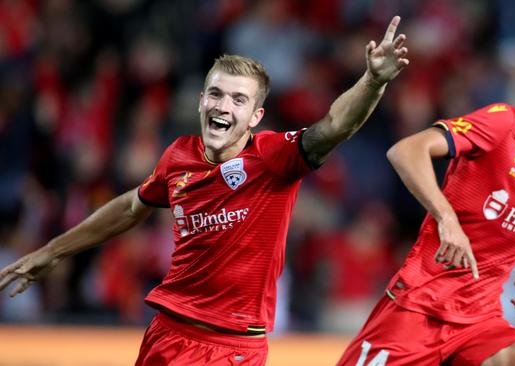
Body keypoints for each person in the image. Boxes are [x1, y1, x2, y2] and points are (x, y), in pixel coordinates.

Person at [0, 16, 409, 365]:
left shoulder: (272, 157)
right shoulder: (178, 156)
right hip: (164, 334)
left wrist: (372, 81)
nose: (223, 106)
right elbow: (129, 208)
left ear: (254, 116)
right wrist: (52, 251)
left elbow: (335, 126)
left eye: (238, 99)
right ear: (200, 101)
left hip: (231, 347)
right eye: (215, 94)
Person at [336, 48, 515, 366]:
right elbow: (405, 151)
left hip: (480, 318)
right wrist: (447, 218)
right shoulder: (504, 124)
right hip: (422, 307)